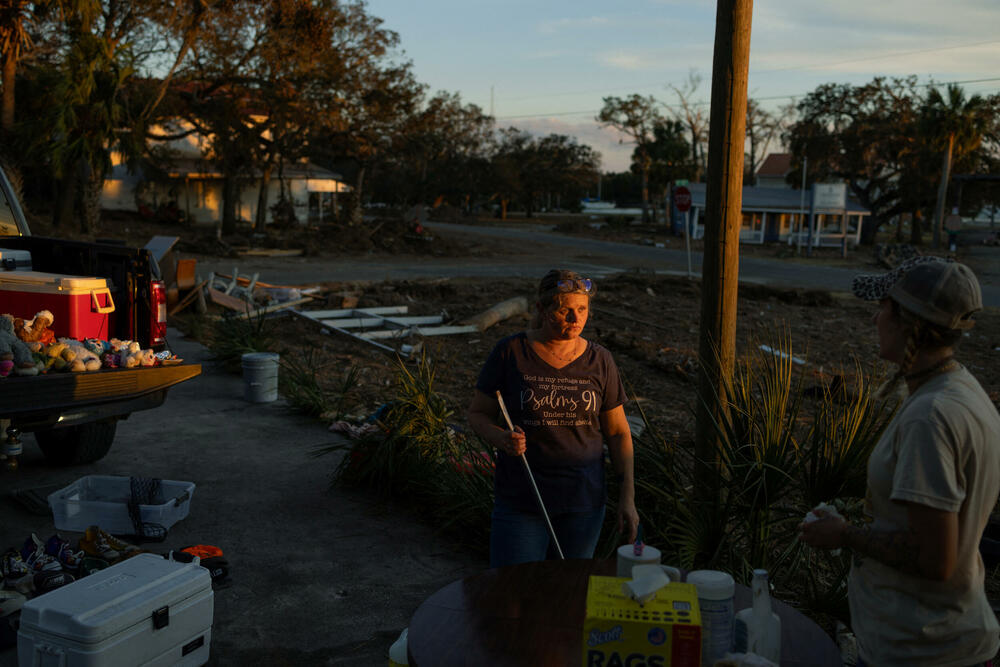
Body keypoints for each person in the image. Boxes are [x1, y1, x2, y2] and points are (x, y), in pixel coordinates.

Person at [799, 256, 1000, 666]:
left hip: (923, 650)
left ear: (909, 322)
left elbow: (935, 559)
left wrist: (845, 535)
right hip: (929, 641)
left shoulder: (932, 417)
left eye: (884, 307)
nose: (875, 318)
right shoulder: (959, 389)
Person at [467, 269, 640, 568]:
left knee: (567, 596)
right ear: (541, 309)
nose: (576, 320)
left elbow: (618, 434)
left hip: (583, 503)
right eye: (564, 310)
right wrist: (500, 437)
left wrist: (628, 498)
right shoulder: (511, 352)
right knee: (514, 593)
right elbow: (477, 414)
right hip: (522, 501)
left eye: (582, 310)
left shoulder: (600, 360)